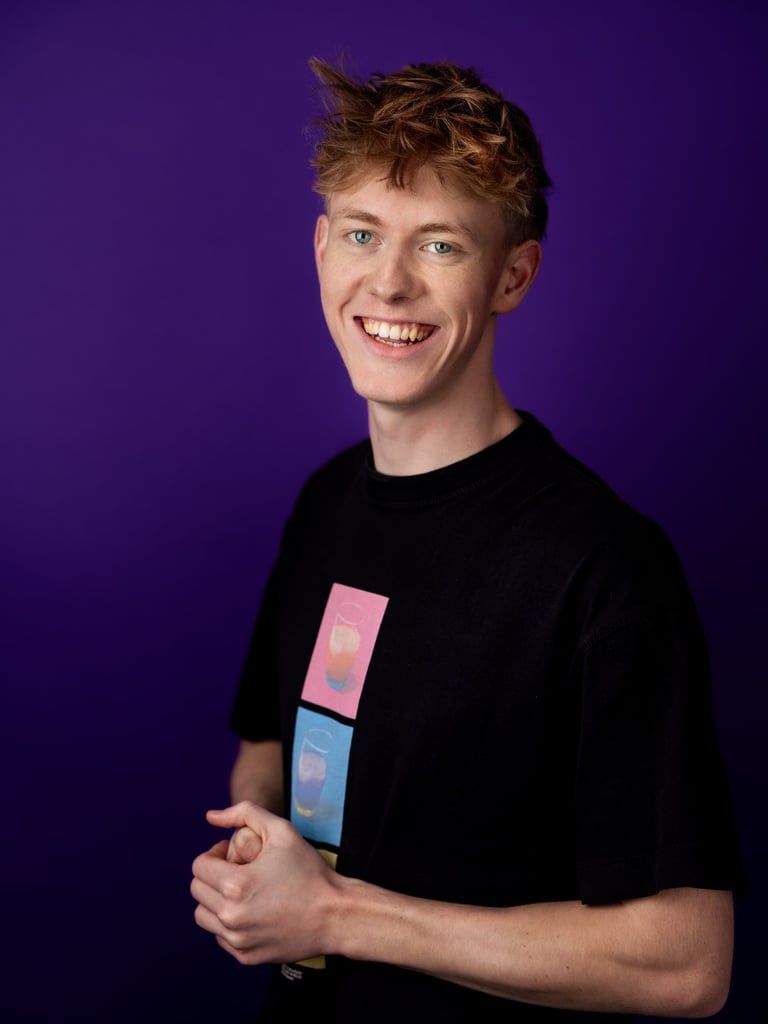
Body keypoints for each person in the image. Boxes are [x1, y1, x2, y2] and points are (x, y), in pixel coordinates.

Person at [190, 58, 745, 1021]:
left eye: (440, 245)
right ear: (322, 248)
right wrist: (257, 845)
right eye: (362, 233)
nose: (389, 281)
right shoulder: (327, 502)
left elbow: (687, 964)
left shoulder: (604, 567)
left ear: (512, 276)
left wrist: (335, 915)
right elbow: (270, 741)